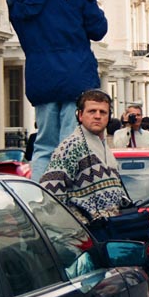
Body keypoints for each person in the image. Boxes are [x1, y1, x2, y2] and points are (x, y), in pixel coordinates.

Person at [6, 0, 108, 182]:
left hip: (41, 76)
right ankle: (67, 196)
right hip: (76, 76)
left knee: (44, 145)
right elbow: (98, 29)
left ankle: (42, 195)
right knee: (71, 142)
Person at [40, 90, 129, 225]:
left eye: (103, 112)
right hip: (85, 232)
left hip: (109, 229)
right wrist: (76, 225)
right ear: (80, 115)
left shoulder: (105, 147)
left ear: (109, 117)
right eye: (92, 111)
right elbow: (50, 192)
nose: (97, 116)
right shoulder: (71, 146)